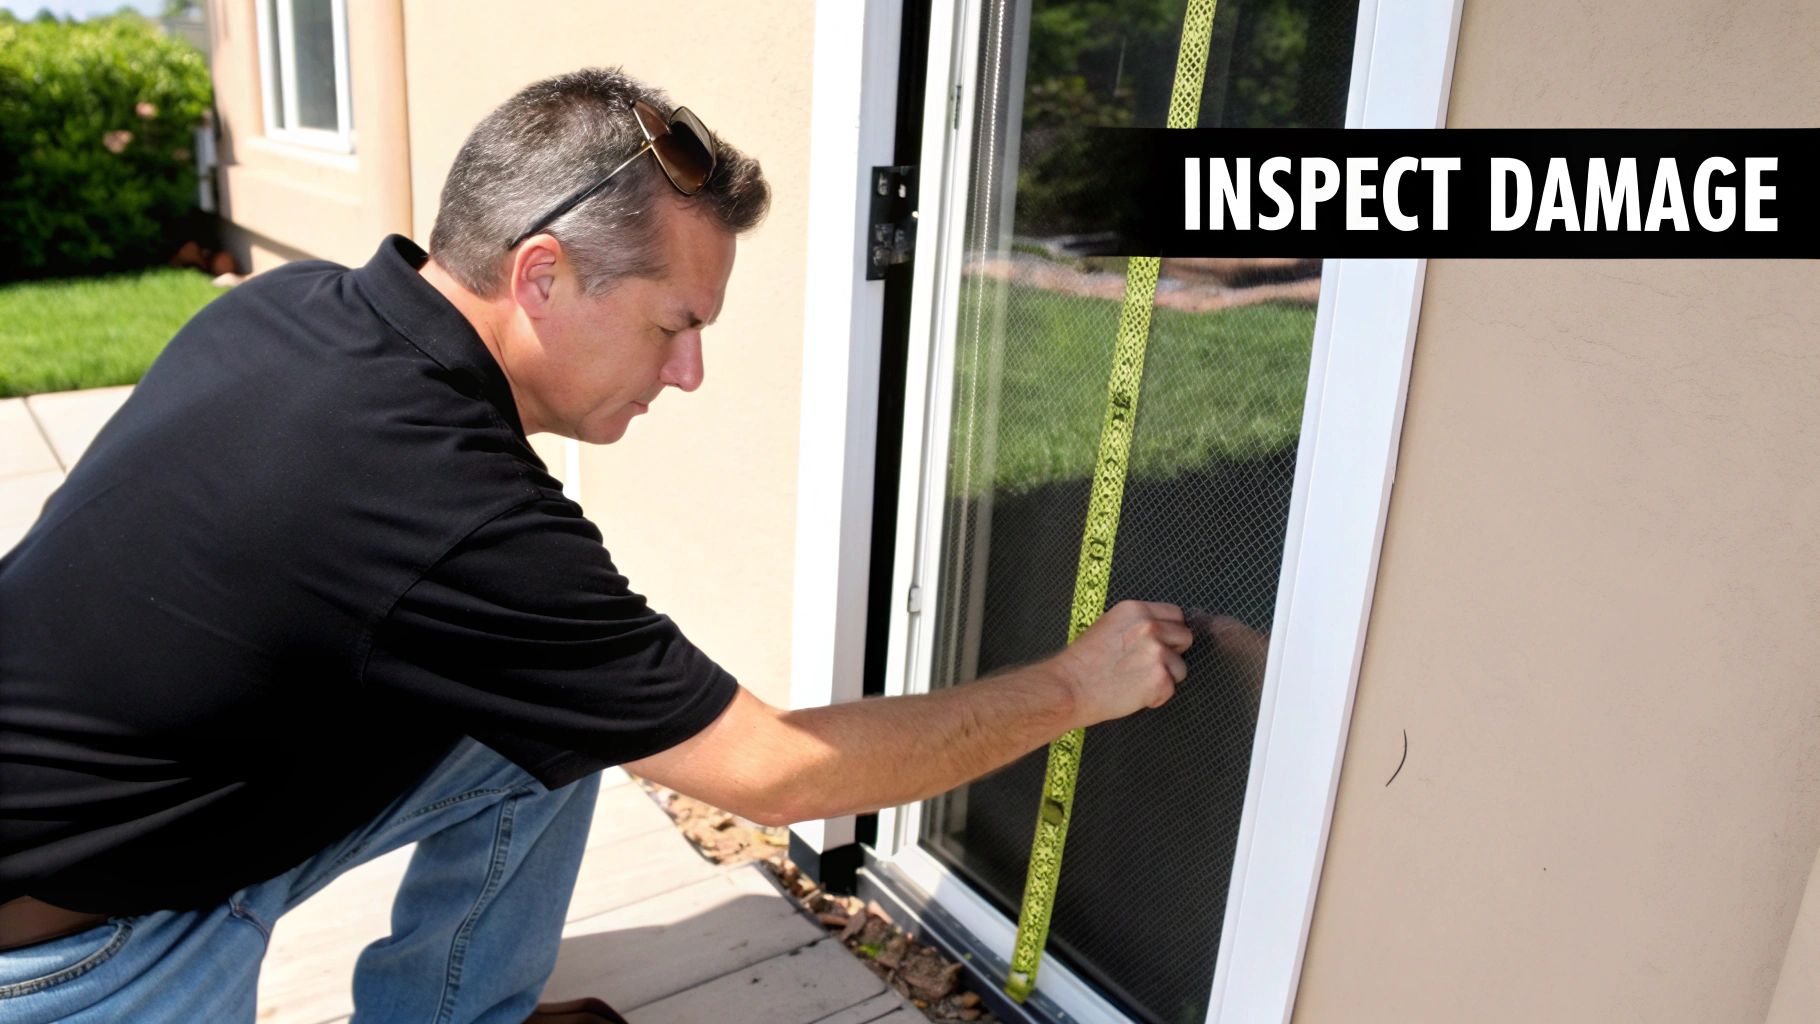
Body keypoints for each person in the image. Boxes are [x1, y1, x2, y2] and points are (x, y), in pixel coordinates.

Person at [0, 68, 1193, 1023]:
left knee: (541, 735)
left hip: (130, 821)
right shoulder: (443, 501)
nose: (689, 373)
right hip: (86, 955)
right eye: (676, 324)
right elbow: (778, 773)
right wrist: (1073, 685)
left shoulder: (298, 308)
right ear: (542, 274)